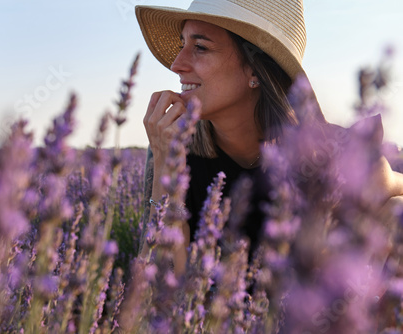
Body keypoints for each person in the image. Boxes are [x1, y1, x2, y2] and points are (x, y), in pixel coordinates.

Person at [135, 0, 403, 276]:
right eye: (182, 45)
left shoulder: (328, 151)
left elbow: (393, 185)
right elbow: (154, 295)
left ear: (254, 70)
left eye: (200, 47)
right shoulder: (172, 146)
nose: (177, 64)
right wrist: (167, 173)